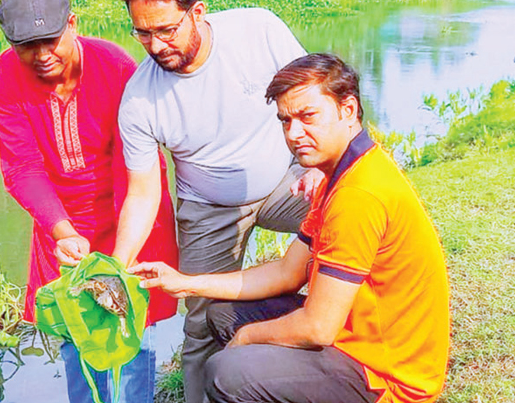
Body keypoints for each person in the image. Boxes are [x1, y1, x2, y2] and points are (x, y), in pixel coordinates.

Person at [130, 53, 451, 403]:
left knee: (229, 372)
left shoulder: (358, 195)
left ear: (348, 109)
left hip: (388, 378)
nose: (294, 133)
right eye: (285, 121)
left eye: (307, 116)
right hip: (355, 339)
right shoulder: (339, 174)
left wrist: (249, 338)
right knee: (222, 314)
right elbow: (286, 272)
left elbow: (317, 327)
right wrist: (186, 283)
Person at [109, 0, 321, 401]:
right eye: (142, 33)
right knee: (202, 320)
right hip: (209, 205)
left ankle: (343, 346)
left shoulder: (257, 30)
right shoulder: (140, 101)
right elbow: (143, 193)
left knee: (348, 212)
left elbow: (315, 96)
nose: (156, 44)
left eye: (166, 29)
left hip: (284, 181)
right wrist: (119, 261)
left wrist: (318, 169)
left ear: (197, 12)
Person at [0, 0, 178, 403]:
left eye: (51, 40)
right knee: (77, 331)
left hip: (129, 211)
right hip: (63, 225)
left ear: (72, 24)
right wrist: (61, 229)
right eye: (25, 46)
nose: (41, 55)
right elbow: (22, 165)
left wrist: (121, 253)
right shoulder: (1, 79)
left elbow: (135, 165)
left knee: (132, 329)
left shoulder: (115, 66)